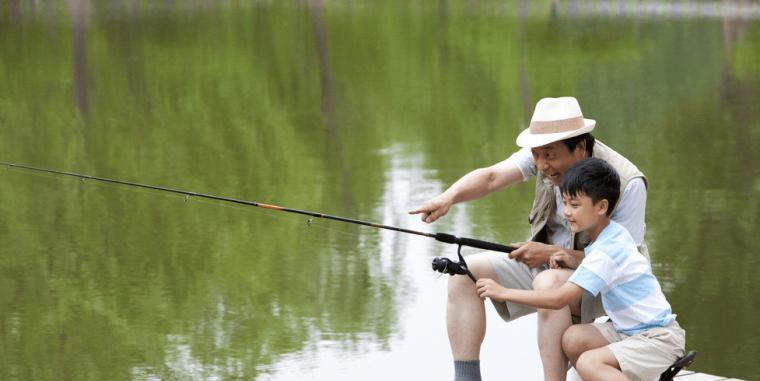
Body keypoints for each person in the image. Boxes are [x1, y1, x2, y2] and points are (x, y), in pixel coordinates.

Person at [409, 97, 649, 381]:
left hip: (606, 284)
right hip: (548, 269)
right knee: (464, 274)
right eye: (536, 155)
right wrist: (447, 197)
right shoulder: (544, 157)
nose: (542, 164)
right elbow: (491, 177)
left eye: (549, 155)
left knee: (547, 283)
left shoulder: (627, 182)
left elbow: (623, 263)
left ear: (581, 147)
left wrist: (549, 255)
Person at [476, 158, 686, 381]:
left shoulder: (606, 250)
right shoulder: (610, 235)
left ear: (602, 207)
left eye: (575, 205)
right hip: (629, 331)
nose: (566, 212)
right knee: (573, 339)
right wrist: (571, 260)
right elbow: (599, 264)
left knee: (589, 362)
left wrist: (502, 292)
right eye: (565, 202)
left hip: (659, 339)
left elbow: (558, 299)